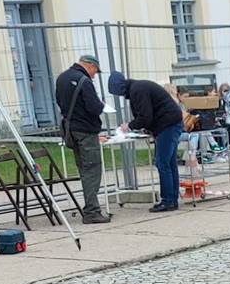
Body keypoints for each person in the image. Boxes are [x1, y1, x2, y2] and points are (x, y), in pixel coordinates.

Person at [107, 71, 184, 212]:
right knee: (169, 163)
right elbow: (149, 113)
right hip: (171, 122)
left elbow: (145, 116)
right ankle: (172, 199)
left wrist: (129, 126)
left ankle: (168, 200)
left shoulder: (137, 91)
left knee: (162, 163)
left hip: (167, 124)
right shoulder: (138, 87)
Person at [53, 54, 112, 224]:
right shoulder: (84, 81)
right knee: (92, 170)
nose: (94, 75)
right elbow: (94, 107)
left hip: (70, 129)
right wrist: (101, 104)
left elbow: (59, 101)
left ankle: (90, 208)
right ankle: (92, 211)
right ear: (90, 66)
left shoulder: (62, 78)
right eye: (95, 71)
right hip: (86, 130)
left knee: (83, 169)